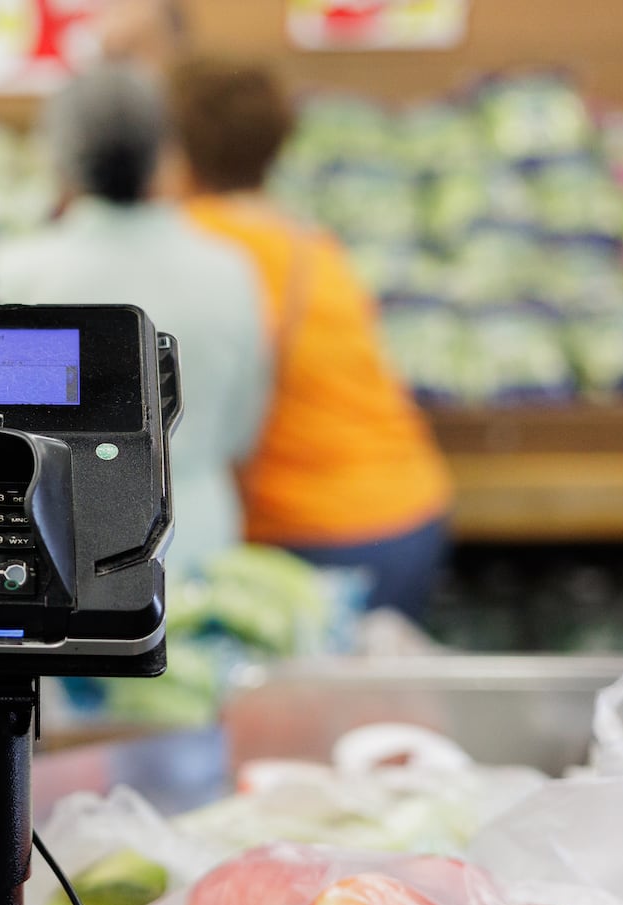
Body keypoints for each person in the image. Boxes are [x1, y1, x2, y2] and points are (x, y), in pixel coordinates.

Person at [165, 56, 453, 618]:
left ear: (176, 148)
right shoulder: (306, 241)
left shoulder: (199, 248)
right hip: (409, 506)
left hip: (313, 530)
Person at [0, 64, 269, 578]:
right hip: (200, 548)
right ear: (167, 154)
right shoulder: (229, 269)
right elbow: (240, 434)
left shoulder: (13, 274)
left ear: (58, 157)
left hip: (55, 549)